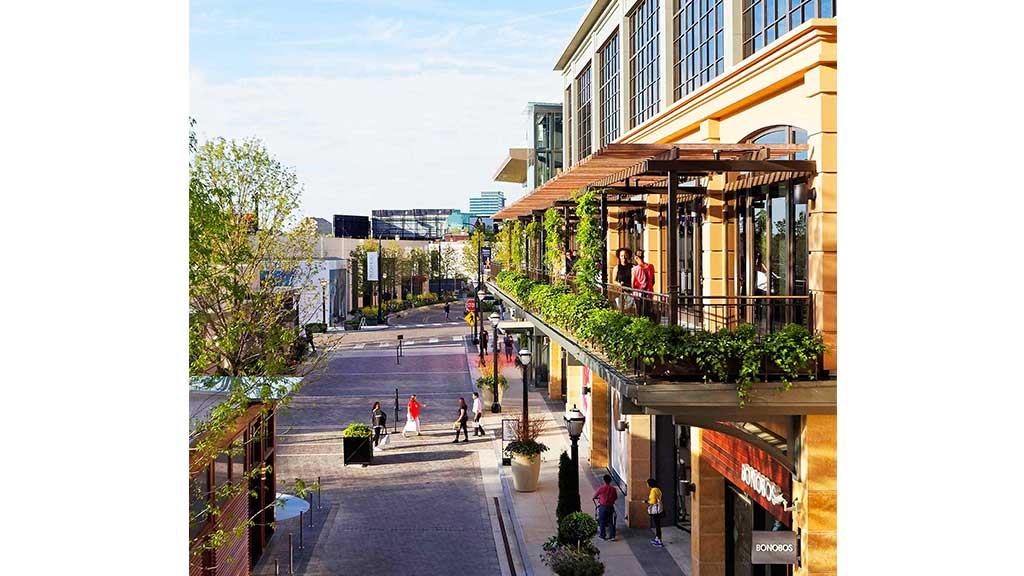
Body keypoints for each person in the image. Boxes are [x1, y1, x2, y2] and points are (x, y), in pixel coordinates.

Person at [593, 474, 618, 541]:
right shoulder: (613, 489)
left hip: (603, 507)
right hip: (610, 507)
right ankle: (612, 536)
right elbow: (615, 497)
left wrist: (599, 498)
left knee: (602, 521)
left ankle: (602, 535)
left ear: (604, 481)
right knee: (610, 521)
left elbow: (595, 496)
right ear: (610, 481)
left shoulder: (601, 488)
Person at [631, 249, 655, 319]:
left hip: (638, 293)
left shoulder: (635, 269)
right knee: (648, 310)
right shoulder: (651, 266)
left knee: (640, 312)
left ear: (636, 257)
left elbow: (632, 284)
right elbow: (653, 281)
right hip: (649, 292)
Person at [613, 247, 634, 312]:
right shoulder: (617, 268)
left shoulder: (633, 267)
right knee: (621, 310)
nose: (624, 257)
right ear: (619, 257)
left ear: (628, 256)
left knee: (630, 310)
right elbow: (614, 280)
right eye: (621, 256)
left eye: (625, 255)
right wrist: (619, 284)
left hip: (631, 292)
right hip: (621, 292)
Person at [647, 478, 664, 547]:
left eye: (647, 483)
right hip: (659, 509)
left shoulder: (653, 490)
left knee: (657, 525)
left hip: (655, 510)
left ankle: (659, 541)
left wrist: (647, 501)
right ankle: (657, 538)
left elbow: (653, 501)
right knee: (658, 525)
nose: (647, 484)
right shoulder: (658, 489)